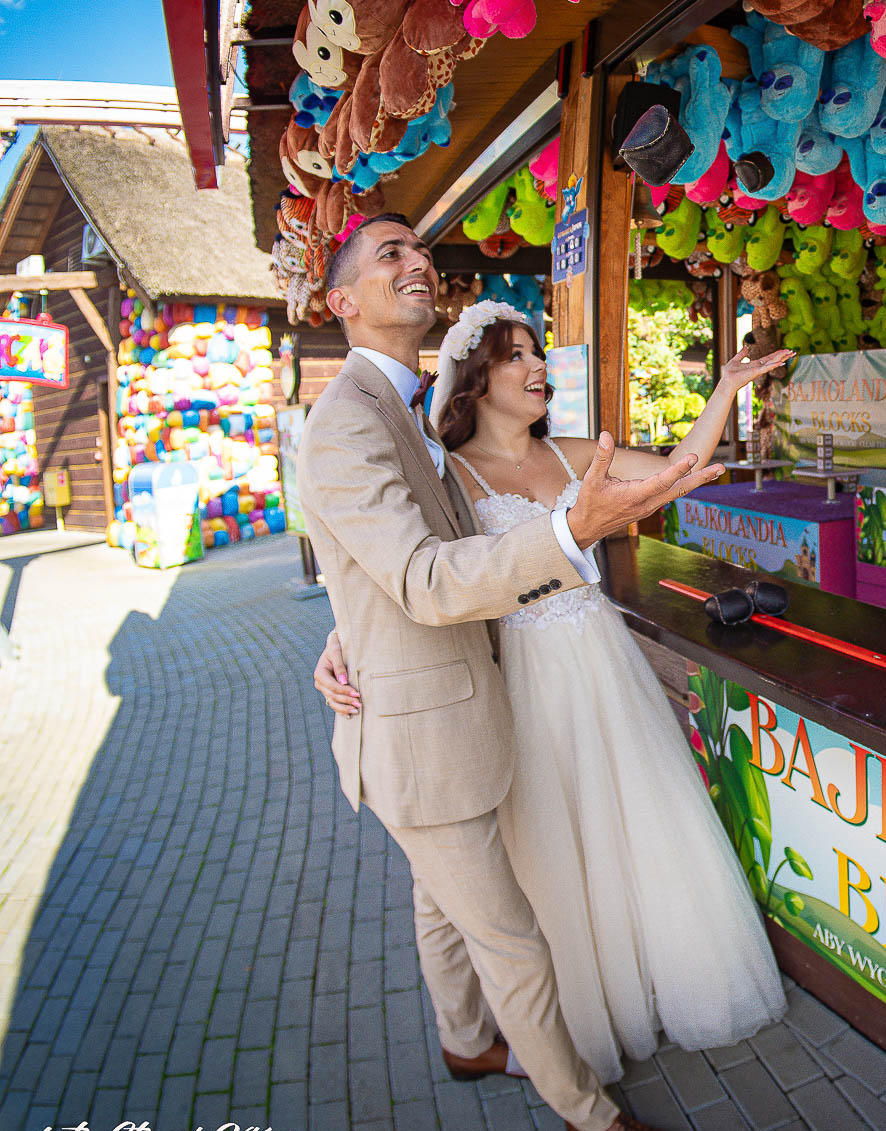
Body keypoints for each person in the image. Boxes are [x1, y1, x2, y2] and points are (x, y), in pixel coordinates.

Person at [299, 215, 721, 1131]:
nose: (416, 261)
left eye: (418, 248)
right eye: (388, 255)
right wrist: (571, 533)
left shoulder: (402, 411)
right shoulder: (349, 420)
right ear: (341, 301)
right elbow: (420, 576)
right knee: (515, 943)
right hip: (421, 734)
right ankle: (589, 1116)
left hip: (449, 703)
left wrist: (342, 634)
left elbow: (369, 566)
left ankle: (464, 1041)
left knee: (440, 904)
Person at [320, 297, 793, 1083]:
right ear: (476, 380)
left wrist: (724, 392)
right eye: (515, 356)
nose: (538, 366)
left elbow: (677, 468)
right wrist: (338, 641)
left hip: (601, 661)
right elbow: (400, 570)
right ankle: (573, 1021)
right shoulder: (449, 474)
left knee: (634, 819)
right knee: (549, 843)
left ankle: (664, 980)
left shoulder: (574, 455)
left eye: (536, 353)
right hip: (519, 677)